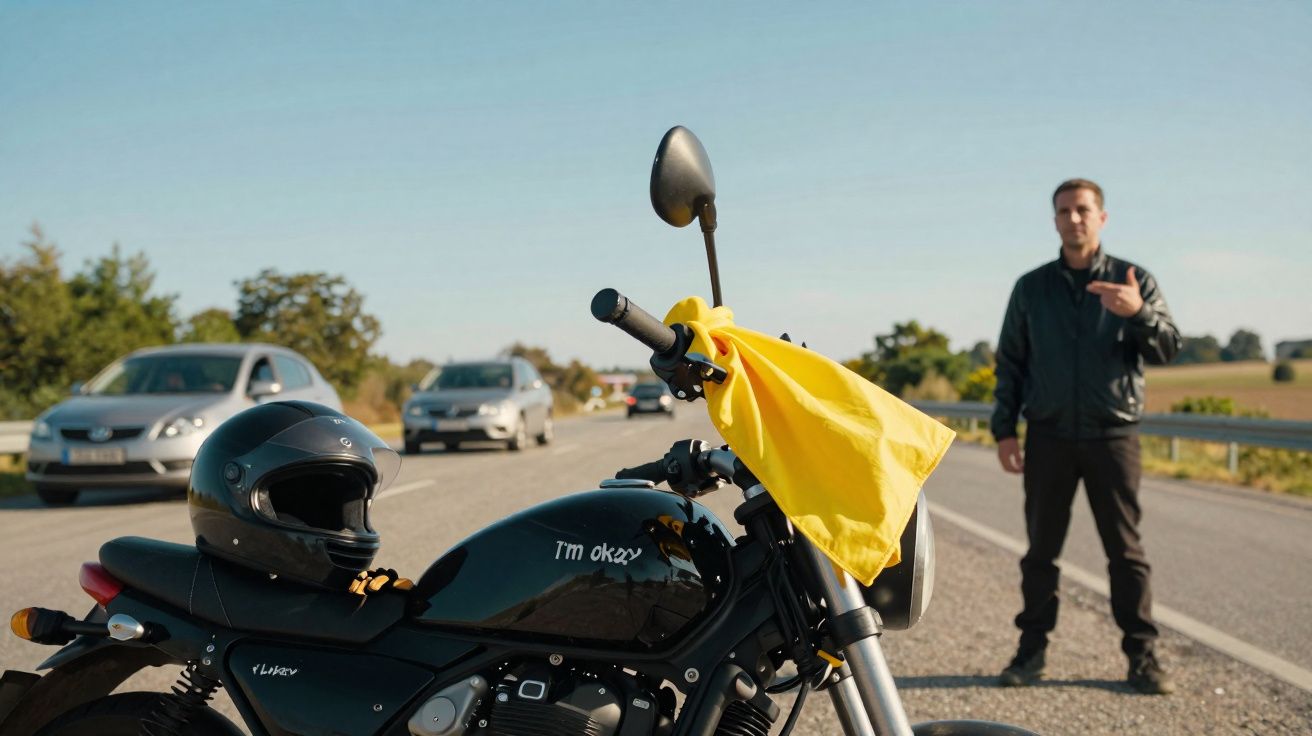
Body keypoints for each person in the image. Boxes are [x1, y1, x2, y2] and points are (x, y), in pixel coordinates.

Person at [991, 178, 1182, 695]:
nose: (1073, 218)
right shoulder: (1031, 288)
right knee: (1040, 553)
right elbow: (1010, 362)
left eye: (1082, 210)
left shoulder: (1133, 279)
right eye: (1063, 211)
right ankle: (1030, 653)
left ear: (1102, 217)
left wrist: (1137, 313)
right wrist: (1005, 429)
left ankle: (1142, 657)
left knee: (1126, 553)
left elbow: (1168, 347)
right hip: (1049, 436)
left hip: (1112, 436)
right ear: (1054, 220)